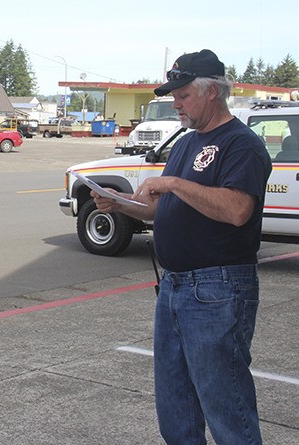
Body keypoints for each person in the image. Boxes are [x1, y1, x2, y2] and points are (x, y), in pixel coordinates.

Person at [92, 49, 271, 444]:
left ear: (212, 92)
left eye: (182, 94)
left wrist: (172, 183)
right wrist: (119, 203)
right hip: (174, 287)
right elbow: (160, 209)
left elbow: (238, 209)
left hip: (217, 289)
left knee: (225, 403)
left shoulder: (242, 145)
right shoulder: (188, 144)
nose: (175, 103)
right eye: (174, 95)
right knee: (176, 405)